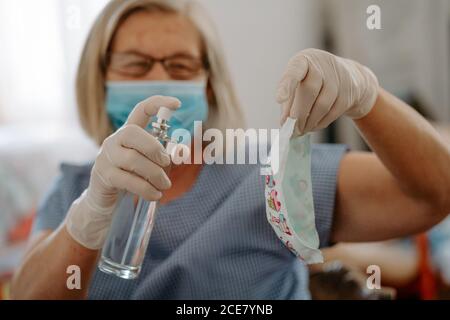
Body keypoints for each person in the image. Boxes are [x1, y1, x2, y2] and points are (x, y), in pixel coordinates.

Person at [10, 0, 450, 299]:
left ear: (210, 84)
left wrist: (367, 96)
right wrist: (90, 215)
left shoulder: (266, 170)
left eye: (181, 65)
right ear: (99, 77)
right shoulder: (74, 187)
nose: (160, 78)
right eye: (137, 64)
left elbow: (433, 194)